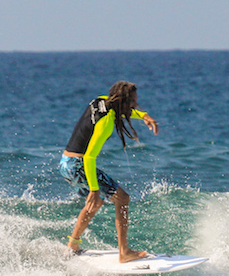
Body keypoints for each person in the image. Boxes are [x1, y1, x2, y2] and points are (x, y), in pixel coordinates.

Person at [59, 80, 160, 263]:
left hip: (66, 163)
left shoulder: (100, 101)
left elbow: (121, 109)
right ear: (123, 102)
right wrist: (94, 189)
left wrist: (144, 116)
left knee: (95, 203)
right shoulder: (105, 123)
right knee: (122, 198)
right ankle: (124, 252)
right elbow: (89, 157)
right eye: (132, 102)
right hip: (78, 164)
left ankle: (72, 245)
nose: (135, 105)